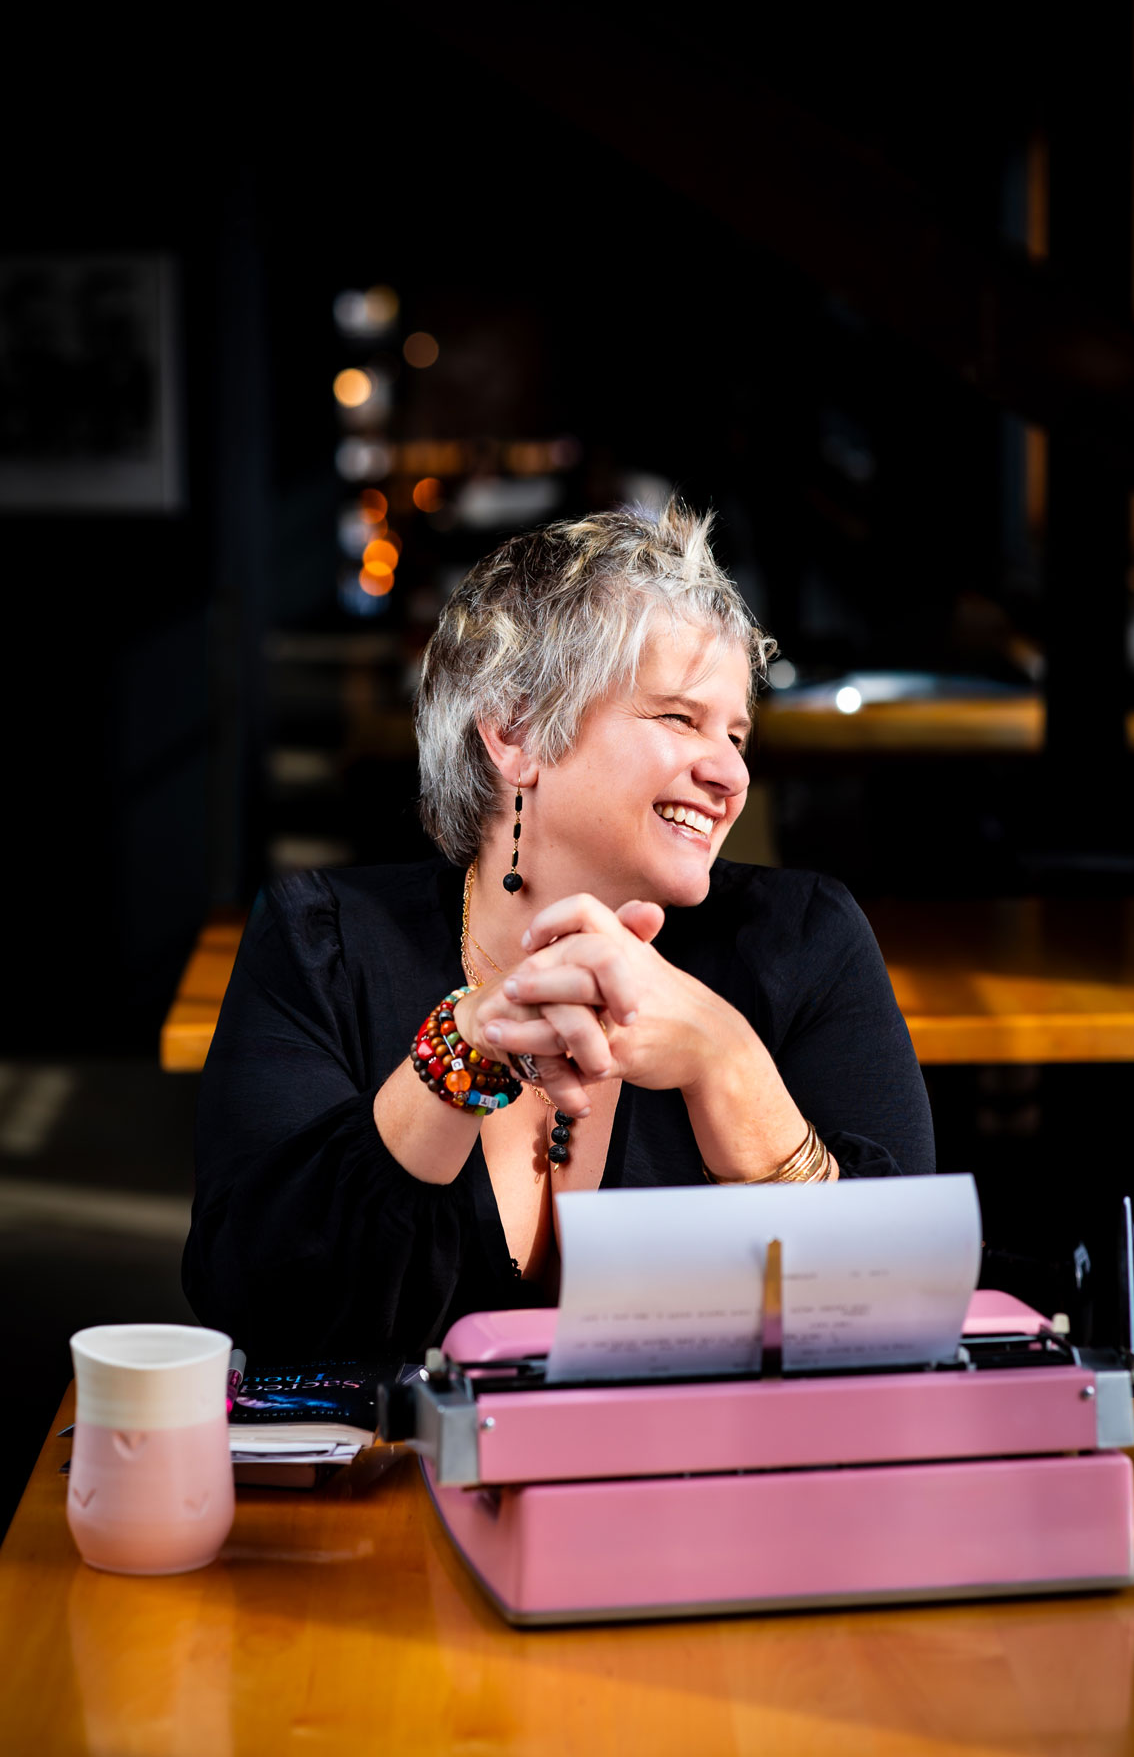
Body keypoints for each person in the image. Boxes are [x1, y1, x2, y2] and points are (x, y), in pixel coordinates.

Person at [183, 501, 934, 1355]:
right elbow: (252, 1300)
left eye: (737, 734)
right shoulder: (322, 942)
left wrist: (729, 1068)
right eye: (680, 718)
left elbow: (905, 1316)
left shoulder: (803, 942)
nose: (730, 773)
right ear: (517, 733)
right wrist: (459, 1056)